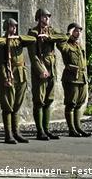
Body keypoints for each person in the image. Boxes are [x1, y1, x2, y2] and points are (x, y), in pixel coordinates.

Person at [0, 18, 36, 144]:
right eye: (11, 27)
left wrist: (19, 38)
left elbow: (32, 39)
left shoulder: (18, 41)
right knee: (8, 106)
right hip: (9, 75)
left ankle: (16, 132)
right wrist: (5, 77)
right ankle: (8, 134)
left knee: (17, 106)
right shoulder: (3, 42)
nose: (14, 29)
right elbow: (1, 63)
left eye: (15, 27)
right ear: (6, 27)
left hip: (21, 75)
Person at [27, 8, 68, 140]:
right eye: (44, 17)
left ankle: (46, 129)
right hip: (41, 70)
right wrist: (41, 70)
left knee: (49, 100)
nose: (47, 19)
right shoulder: (33, 33)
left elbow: (64, 37)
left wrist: (49, 37)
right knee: (39, 100)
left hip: (52, 69)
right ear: (38, 18)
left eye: (48, 17)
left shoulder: (51, 31)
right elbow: (33, 56)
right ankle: (40, 131)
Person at [57, 22, 91, 137]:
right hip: (71, 78)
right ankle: (71, 129)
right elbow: (60, 46)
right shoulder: (66, 44)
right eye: (76, 31)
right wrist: (68, 34)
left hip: (81, 77)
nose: (79, 33)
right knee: (71, 103)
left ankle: (78, 127)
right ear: (71, 31)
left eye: (80, 31)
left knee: (79, 103)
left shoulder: (78, 45)